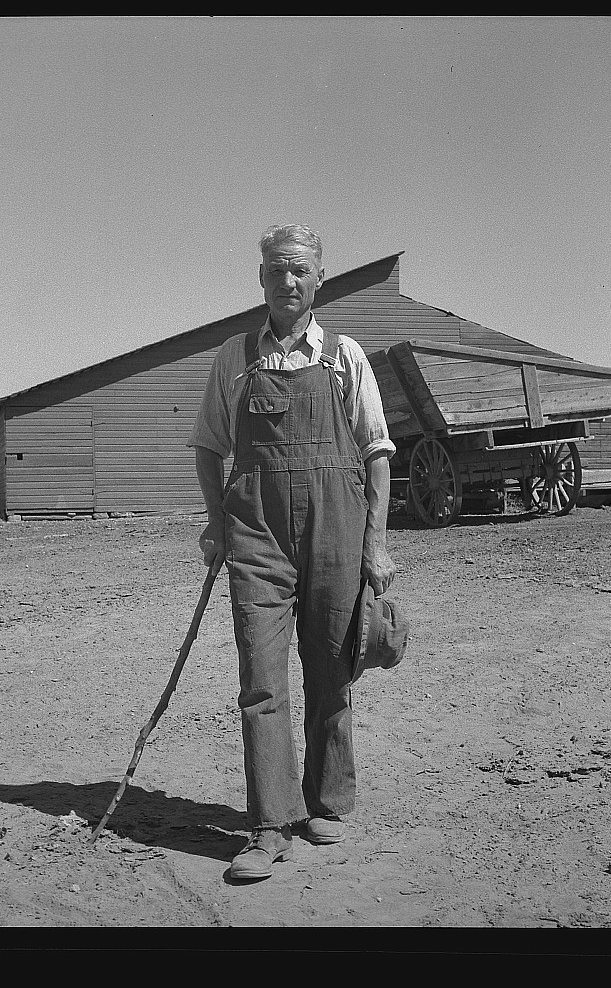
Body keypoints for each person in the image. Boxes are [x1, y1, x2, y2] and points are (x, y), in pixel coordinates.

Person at [188, 224, 397, 880]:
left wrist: (376, 543)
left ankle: (325, 803)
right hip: (258, 535)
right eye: (276, 269)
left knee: (333, 667)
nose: (287, 281)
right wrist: (218, 526)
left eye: (299, 271)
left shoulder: (344, 356)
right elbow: (208, 448)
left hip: (337, 524)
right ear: (261, 278)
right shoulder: (234, 357)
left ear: (318, 281)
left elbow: (376, 456)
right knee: (260, 677)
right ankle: (267, 826)